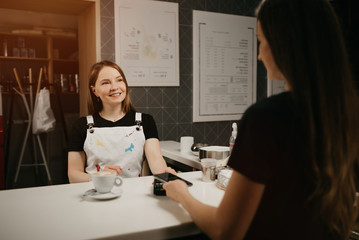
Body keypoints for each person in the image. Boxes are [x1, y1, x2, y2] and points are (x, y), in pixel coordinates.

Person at [163, 0, 359, 239]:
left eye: (261, 41)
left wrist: (182, 193)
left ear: (285, 45)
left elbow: (226, 231)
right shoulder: (346, 112)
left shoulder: (267, 117)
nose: (258, 55)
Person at [67, 60, 175, 183]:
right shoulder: (81, 126)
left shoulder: (145, 121)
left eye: (119, 80)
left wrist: (164, 172)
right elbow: (73, 175)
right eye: (105, 83)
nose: (114, 87)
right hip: (96, 194)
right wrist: (99, 177)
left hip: (134, 194)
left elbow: (156, 160)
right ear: (94, 90)